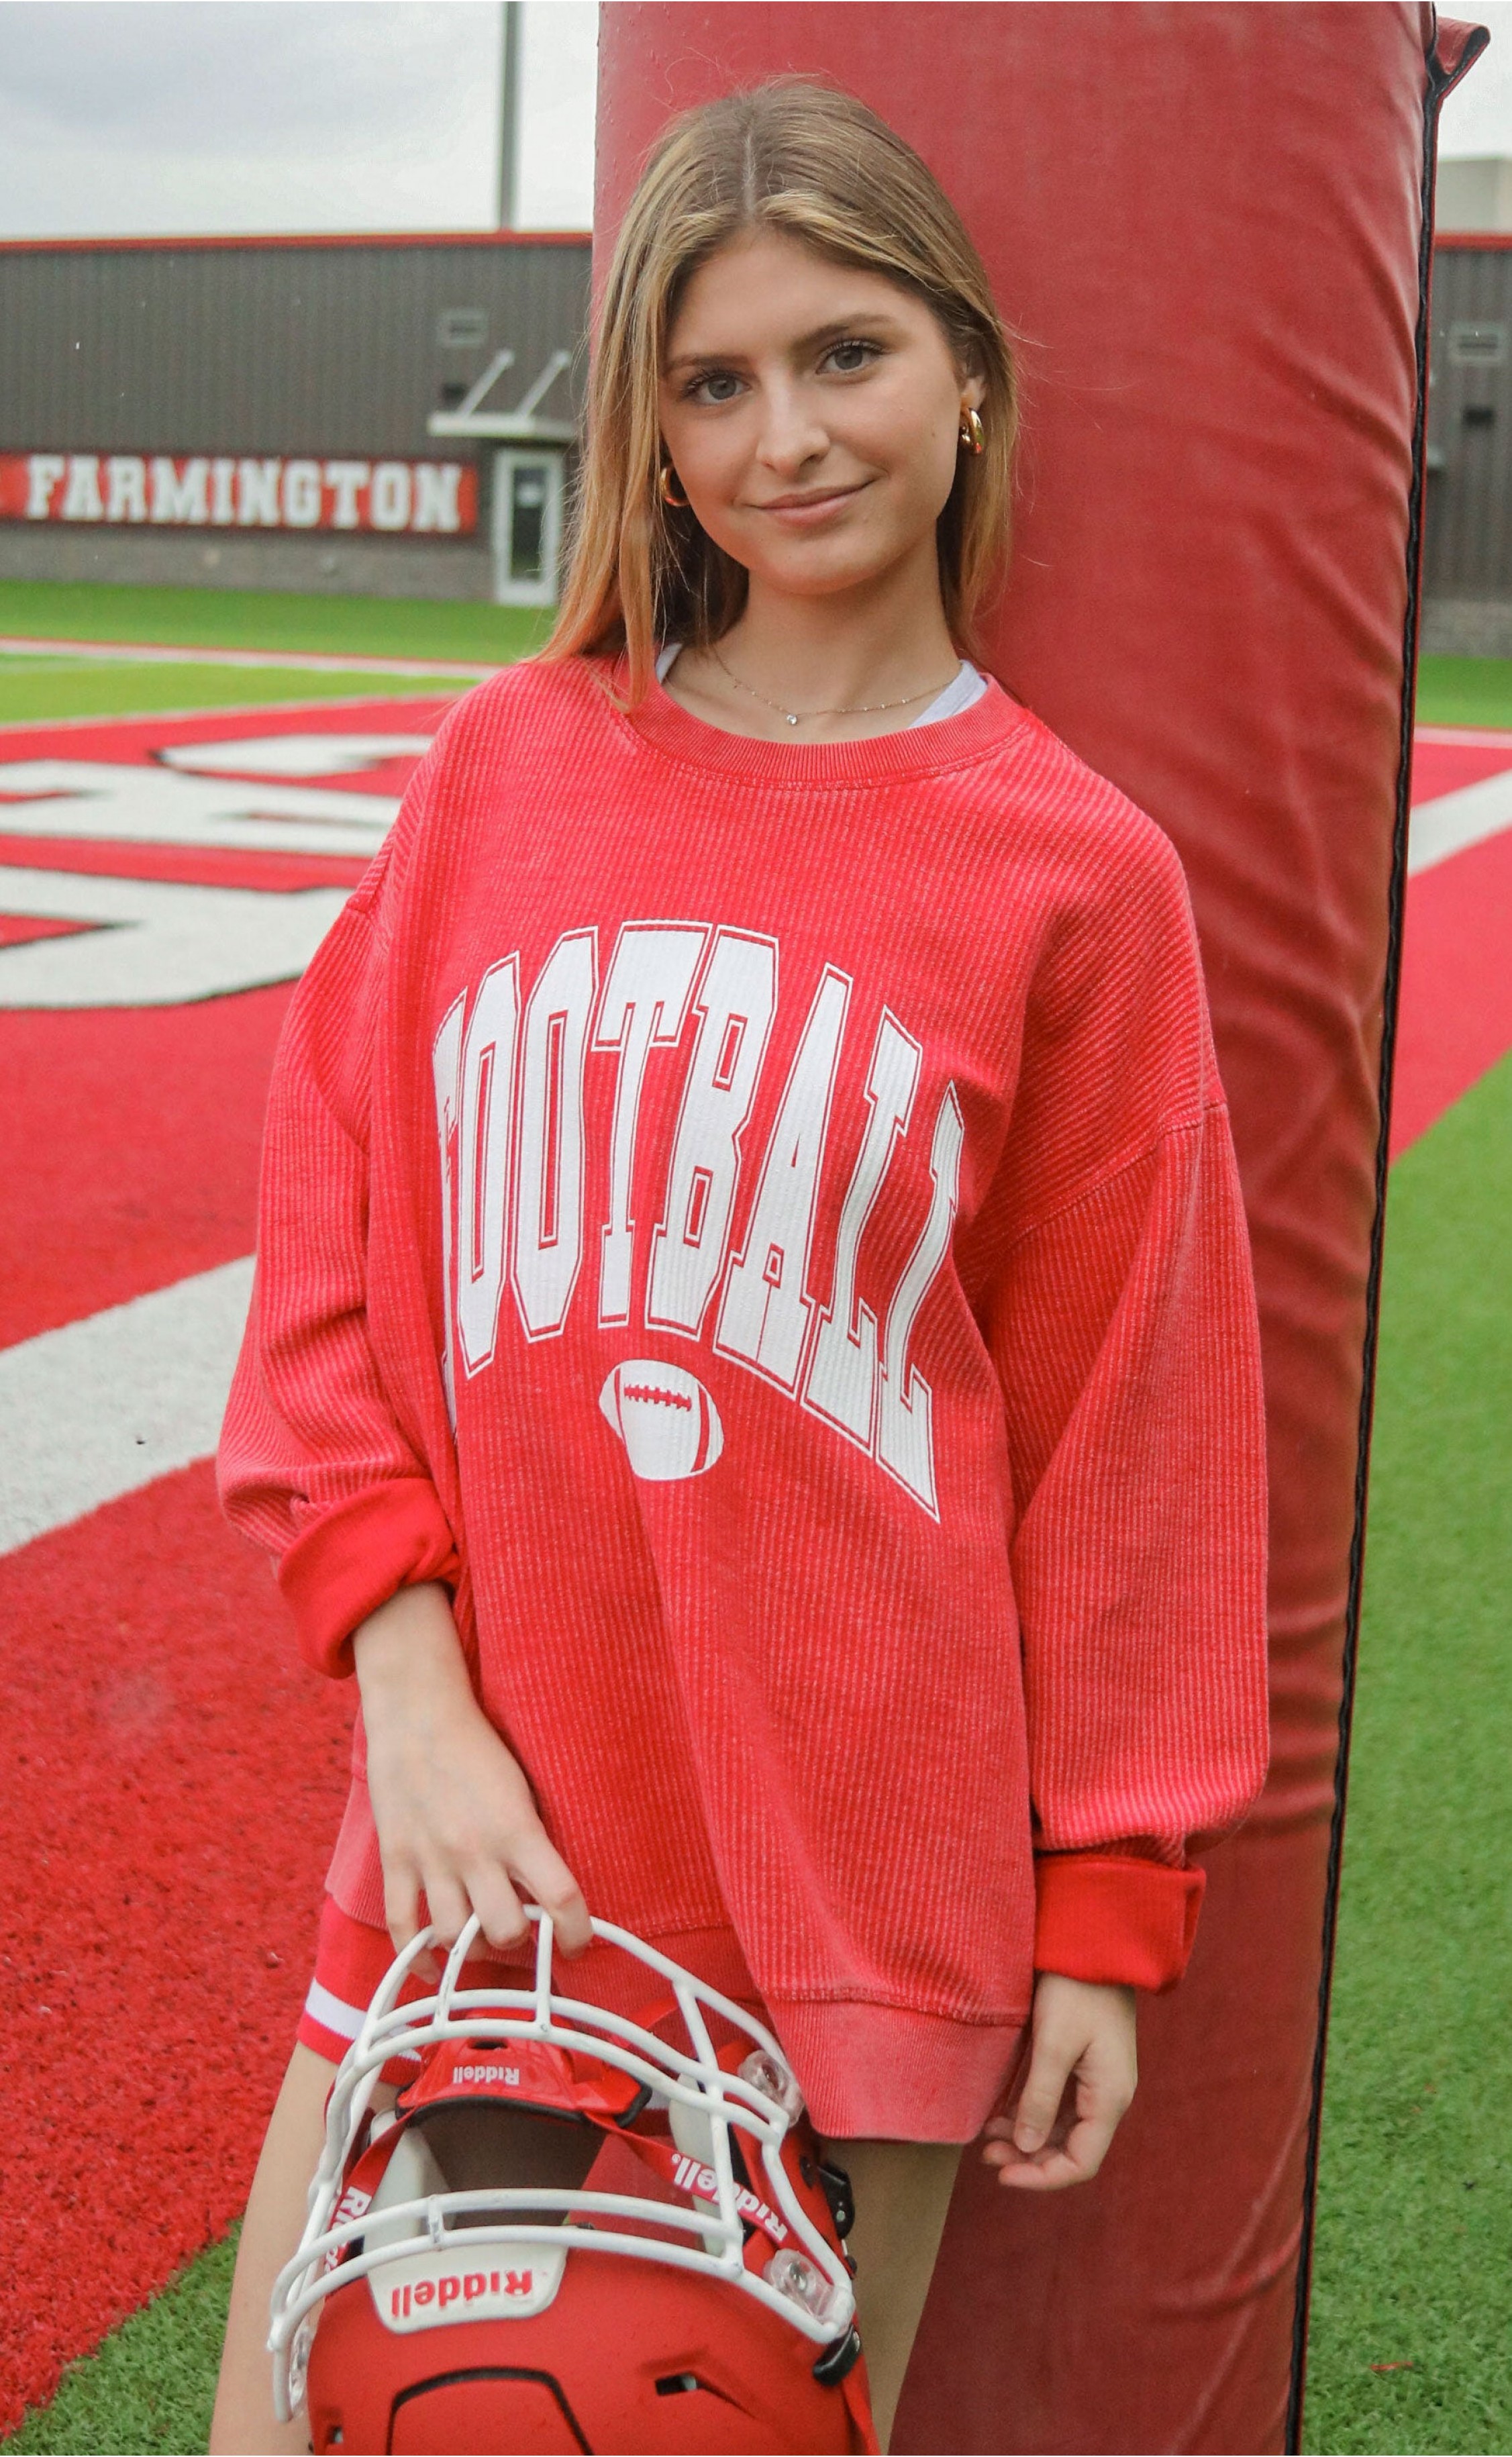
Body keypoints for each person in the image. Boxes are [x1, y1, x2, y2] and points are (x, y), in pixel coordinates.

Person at [210, 80, 1270, 2457]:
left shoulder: (1075, 876)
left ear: (966, 372)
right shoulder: (506, 769)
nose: (783, 438)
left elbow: (1136, 1431)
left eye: (845, 354)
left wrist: (1107, 1909)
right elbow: (327, 1252)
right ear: (652, 434)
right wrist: (406, 1684)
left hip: (859, 1891)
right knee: (286, 2433)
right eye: (713, 382)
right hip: (484, 1849)